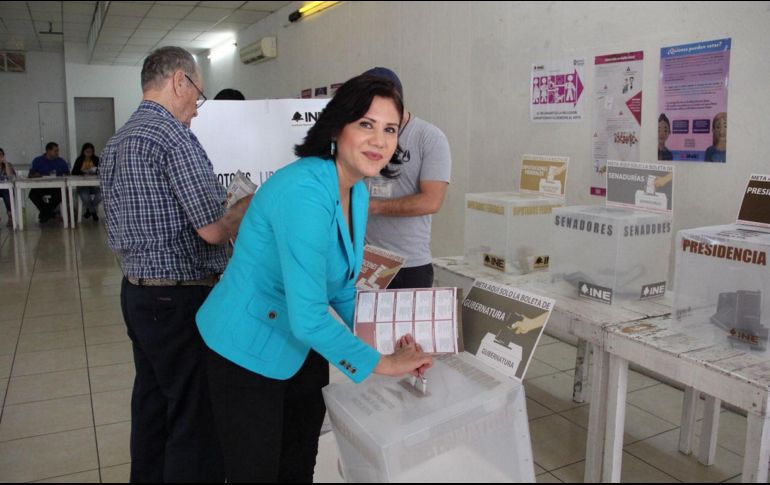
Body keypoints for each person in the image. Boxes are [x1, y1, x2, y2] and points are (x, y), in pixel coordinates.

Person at [196, 74, 433, 482]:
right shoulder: (303, 191)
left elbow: (340, 285)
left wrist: (382, 335)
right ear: (337, 126)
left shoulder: (355, 187)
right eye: (366, 124)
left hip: (299, 348)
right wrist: (384, 363)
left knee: (299, 462)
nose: (379, 140)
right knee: (255, 471)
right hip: (245, 348)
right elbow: (309, 316)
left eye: (390, 129)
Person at [100, 46, 250, 483]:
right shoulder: (172, 137)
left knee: (153, 406)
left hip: (137, 294)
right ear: (179, 81)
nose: (197, 111)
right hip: (179, 297)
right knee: (193, 416)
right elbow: (213, 230)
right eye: (198, 97)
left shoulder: (118, 140)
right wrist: (248, 206)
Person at [360, 67, 451, 289]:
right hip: (366, 261)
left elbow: (431, 201)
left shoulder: (428, 137)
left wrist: (370, 207)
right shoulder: (359, 135)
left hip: (410, 264)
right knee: (363, 323)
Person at [28, 142, 69, 223]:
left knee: (61, 194)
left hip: (56, 186)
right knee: (32, 194)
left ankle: (45, 213)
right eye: (55, 151)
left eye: (58, 151)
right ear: (48, 151)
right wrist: (35, 175)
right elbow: (30, 174)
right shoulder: (38, 160)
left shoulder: (61, 161)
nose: (57, 153)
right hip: (41, 186)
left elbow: (68, 174)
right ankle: (51, 214)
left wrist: (64, 175)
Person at [70, 142, 101, 221]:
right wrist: (83, 172)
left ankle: (89, 210)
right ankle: (93, 212)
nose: (89, 154)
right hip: (82, 184)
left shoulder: (96, 159)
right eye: (87, 152)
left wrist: (94, 171)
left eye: (91, 152)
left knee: (101, 194)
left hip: (94, 184)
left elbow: (101, 170)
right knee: (85, 196)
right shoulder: (79, 159)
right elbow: (74, 172)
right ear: (83, 152)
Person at [0, 148, 16, 227]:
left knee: (7, 193)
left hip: (5, 189)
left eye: (0, 155)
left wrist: (5, 164)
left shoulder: (8, 165)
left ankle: (10, 216)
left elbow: (11, 177)